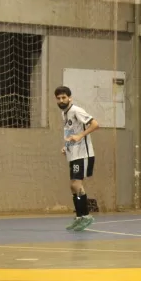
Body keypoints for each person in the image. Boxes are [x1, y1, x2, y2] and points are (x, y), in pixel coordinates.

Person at [55, 86, 99, 231]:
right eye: (59, 98)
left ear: (70, 98)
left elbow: (95, 124)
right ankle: (80, 217)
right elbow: (71, 132)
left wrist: (80, 136)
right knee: (73, 186)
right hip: (73, 153)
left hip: (83, 154)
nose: (61, 100)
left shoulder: (76, 110)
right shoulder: (64, 114)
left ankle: (86, 216)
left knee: (76, 185)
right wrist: (66, 146)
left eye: (64, 97)